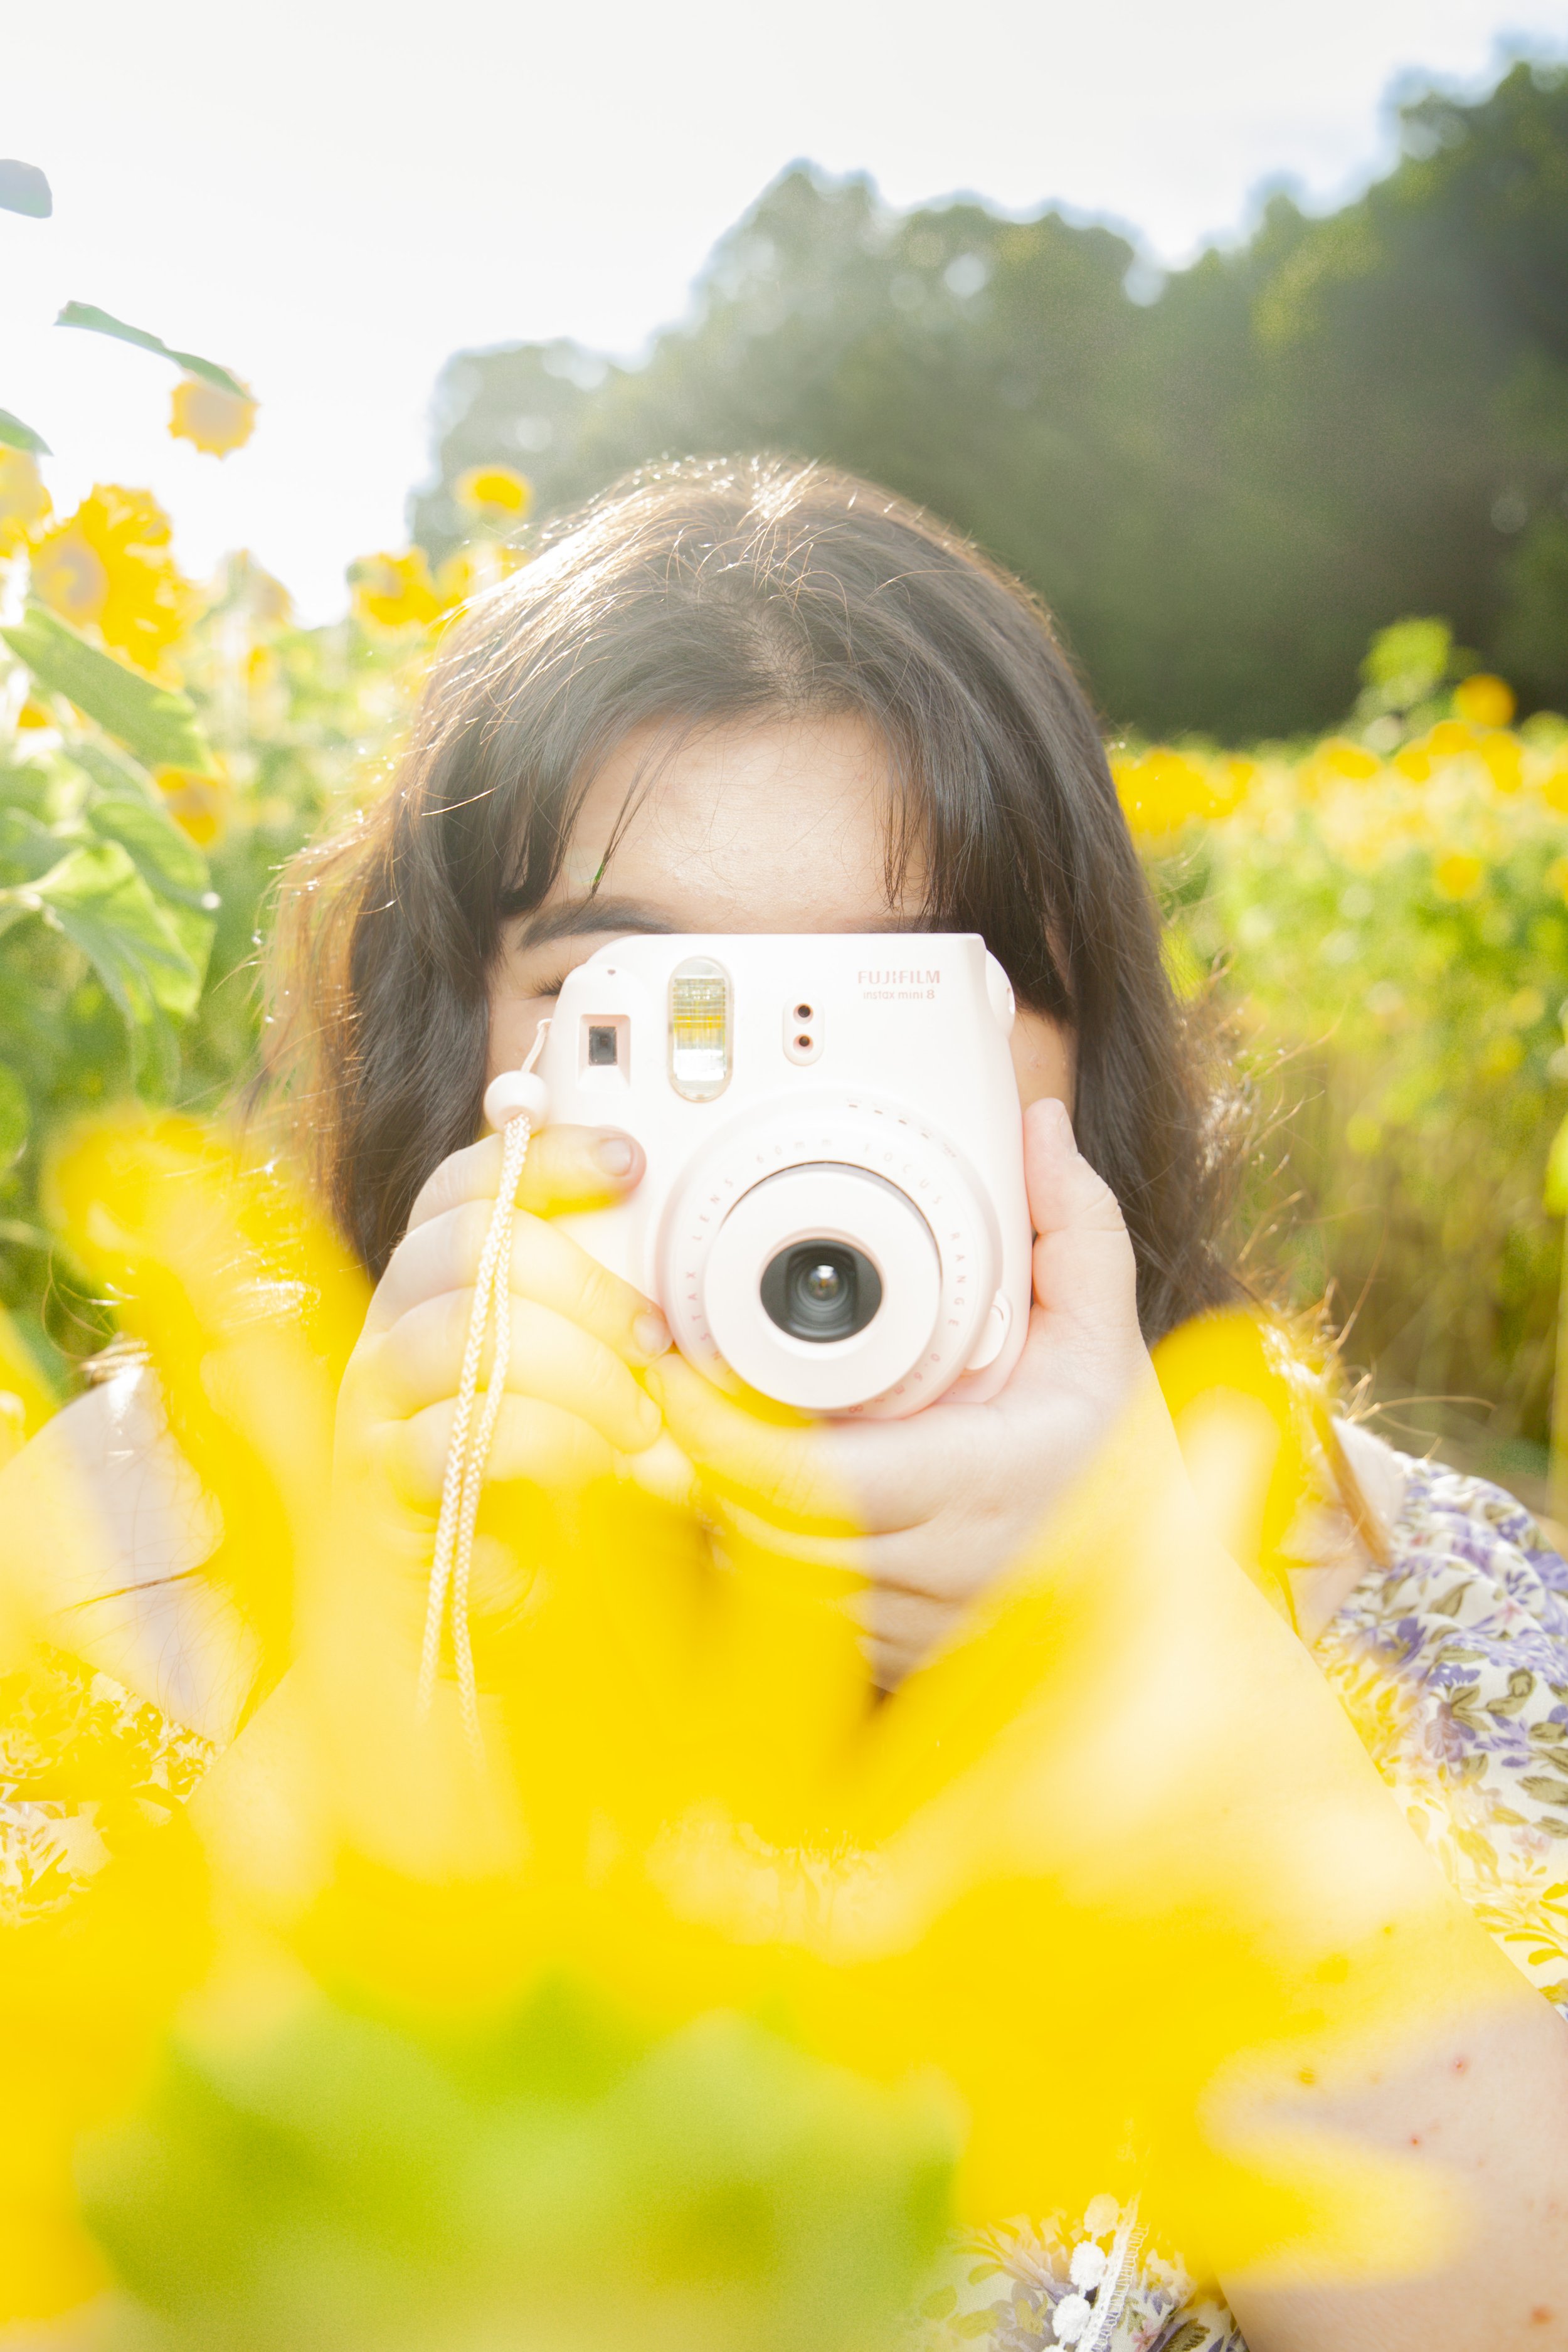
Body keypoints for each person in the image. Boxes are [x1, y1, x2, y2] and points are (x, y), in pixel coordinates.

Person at [5, 457, 1568, 2348]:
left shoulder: (1404, 1583)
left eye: (900, 1001)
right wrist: (382, 1681)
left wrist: (1164, 1677)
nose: (785, 1128)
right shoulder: (120, 1553)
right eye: (650, 1005)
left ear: (1085, 1051)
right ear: (461, 1041)